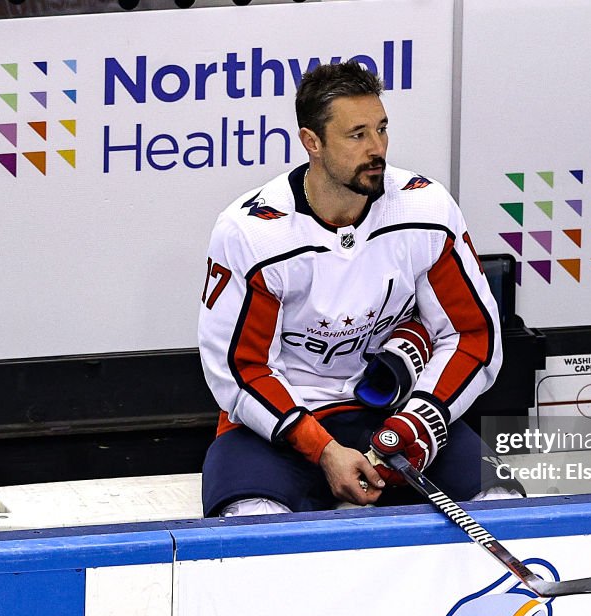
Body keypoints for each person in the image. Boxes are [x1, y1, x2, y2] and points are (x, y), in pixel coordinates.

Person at [198, 61, 510, 517]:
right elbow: (242, 369)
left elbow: (471, 335)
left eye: (381, 129)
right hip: (281, 425)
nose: (377, 148)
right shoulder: (253, 232)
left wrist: (422, 419)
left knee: (503, 506)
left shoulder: (425, 206)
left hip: (395, 415)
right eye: (357, 134)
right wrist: (324, 450)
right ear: (312, 142)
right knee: (249, 524)